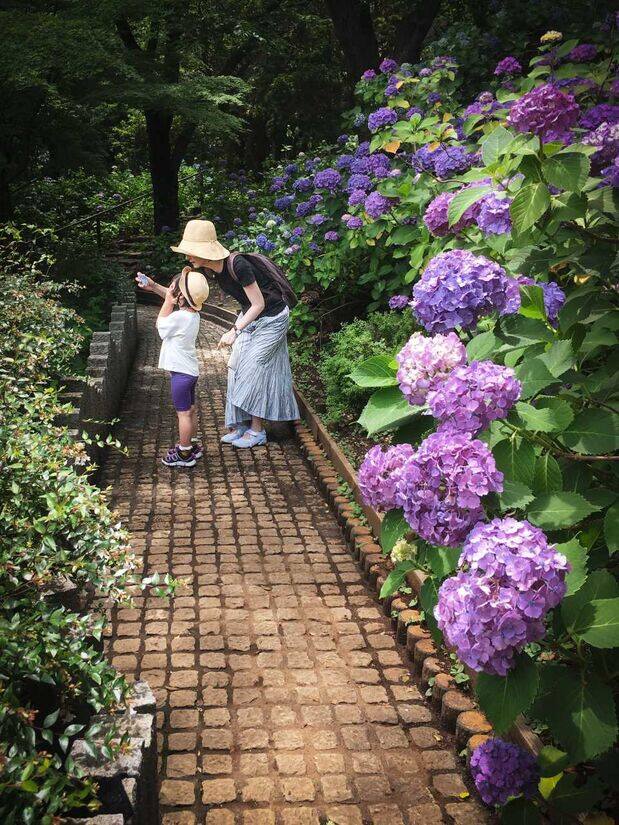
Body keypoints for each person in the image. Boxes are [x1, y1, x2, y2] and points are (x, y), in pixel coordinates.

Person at [165, 219, 299, 449]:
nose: (188, 257)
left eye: (190, 252)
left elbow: (258, 304)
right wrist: (157, 290)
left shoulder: (239, 266)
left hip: (273, 318)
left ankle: (257, 431)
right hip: (252, 318)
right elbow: (188, 296)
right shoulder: (210, 270)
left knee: (255, 368)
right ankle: (241, 424)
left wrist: (234, 331)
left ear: (204, 251)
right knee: (235, 366)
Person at [140, 268, 209, 467]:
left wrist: (166, 301)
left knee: (183, 414)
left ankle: (184, 453)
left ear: (180, 297)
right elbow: (177, 304)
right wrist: (154, 287)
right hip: (189, 371)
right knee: (191, 410)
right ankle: (192, 445)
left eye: (174, 289)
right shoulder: (193, 314)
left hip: (181, 373)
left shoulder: (179, 317)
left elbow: (160, 326)